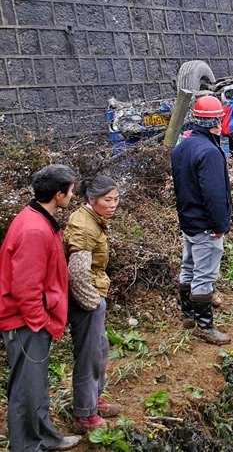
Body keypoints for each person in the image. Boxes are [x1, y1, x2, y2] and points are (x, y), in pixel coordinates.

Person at [0, 165, 82, 452]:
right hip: (24, 324)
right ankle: (26, 447)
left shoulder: (38, 218)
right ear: (59, 195)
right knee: (25, 389)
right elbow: (26, 287)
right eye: (71, 191)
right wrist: (40, 322)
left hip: (32, 321)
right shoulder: (34, 230)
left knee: (35, 386)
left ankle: (46, 437)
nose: (73, 195)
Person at [171, 95, 232, 344]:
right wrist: (219, 225)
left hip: (188, 220)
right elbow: (214, 193)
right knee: (204, 275)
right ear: (217, 120)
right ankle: (204, 326)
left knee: (188, 267)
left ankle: (187, 314)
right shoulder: (209, 152)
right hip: (205, 225)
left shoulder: (182, 146)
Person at [64, 176, 123, 432]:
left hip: (95, 291)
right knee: (88, 355)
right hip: (86, 298)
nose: (113, 205)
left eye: (116, 199)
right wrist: (93, 304)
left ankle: (95, 399)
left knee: (100, 348)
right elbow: (76, 273)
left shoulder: (94, 220)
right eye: (107, 200)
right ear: (92, 200)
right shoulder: (84, 226)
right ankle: (85, 415)